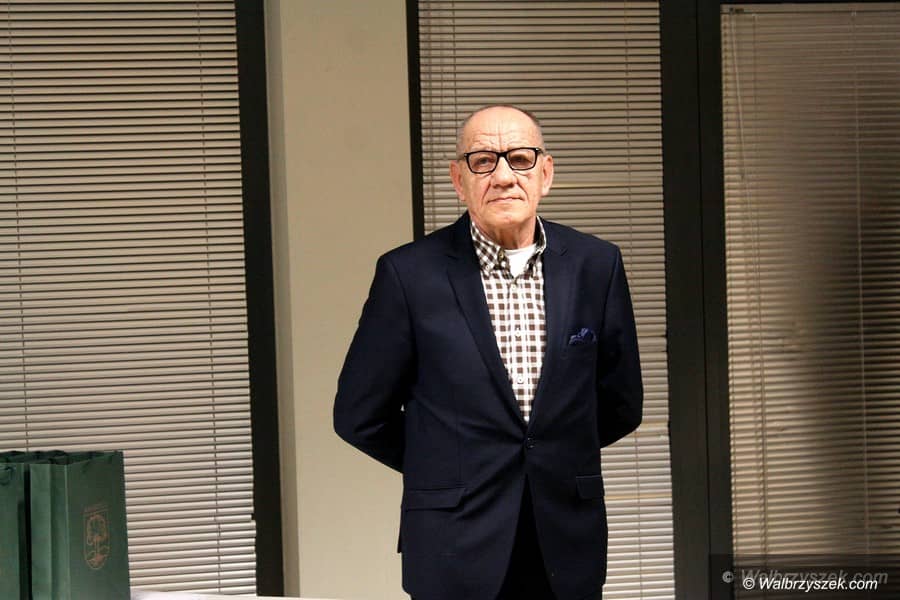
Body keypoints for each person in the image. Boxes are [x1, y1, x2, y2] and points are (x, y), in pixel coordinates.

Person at [334, 105, 642, 600]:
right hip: (453, 546)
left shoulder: (596, 265)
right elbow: (358, 415)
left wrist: (550, 459)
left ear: (546, 173)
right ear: (459, 180)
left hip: (567, 540)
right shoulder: (407, 275)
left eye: (520, 158)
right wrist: (450, 464)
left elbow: (622, 403)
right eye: (483, 161)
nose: (503, 176)